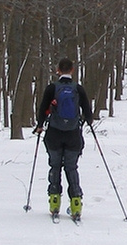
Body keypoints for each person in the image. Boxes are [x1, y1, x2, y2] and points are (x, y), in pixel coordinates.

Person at [33, 58, 95, 219]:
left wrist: (40, 125)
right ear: (72, 70)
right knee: (71, 167)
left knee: (55, 166)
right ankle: (76, 204)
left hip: (54, 133)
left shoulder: (52, 88)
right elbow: (88, 111)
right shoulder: (78, 89)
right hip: (73, 135)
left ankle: (54, 202)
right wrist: (88, 121)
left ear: (58, 70)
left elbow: (43, 109)